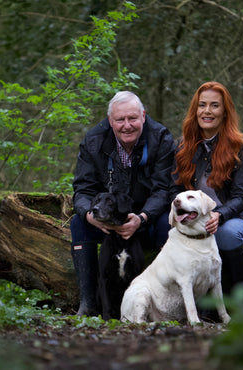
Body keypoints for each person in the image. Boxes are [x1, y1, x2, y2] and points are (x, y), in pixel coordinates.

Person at [71, 91, 175, 316]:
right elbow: (82, 190)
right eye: (120, 120)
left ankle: (162, 303)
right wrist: (90, 215)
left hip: (148, 219)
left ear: (143, 116)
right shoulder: (93, 141)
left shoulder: (161, 139)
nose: (127, 125)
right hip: (107, 221)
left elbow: (163, 189)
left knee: (168, 225)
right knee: (78, 224)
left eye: (133, 118)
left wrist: (143, 217)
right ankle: (88, 304)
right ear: (110, 121)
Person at [171, 81, 243, 290]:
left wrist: (220, 215)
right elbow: (174, 188)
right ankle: (199, 308)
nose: (207, 111)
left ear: (225, 112)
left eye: (214, 105)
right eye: (202, 105)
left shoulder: (241, 147)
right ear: (195, 110)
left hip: (237, 216)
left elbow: (242, 196)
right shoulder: (183, 146)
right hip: (195, 216)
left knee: (226, 234)